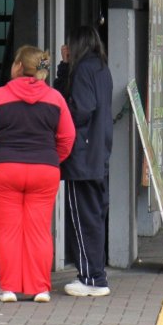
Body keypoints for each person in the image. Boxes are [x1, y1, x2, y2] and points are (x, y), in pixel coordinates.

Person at [0, 45, 75, 303]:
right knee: (39, 230)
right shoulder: (55, 99)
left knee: (8, 230)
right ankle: (40, 288)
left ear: (17, 66)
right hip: (44, 171)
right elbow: (68, 137)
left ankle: (9, 288)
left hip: (5, 170)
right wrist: (52, 158)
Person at [55, 26, 114, 297]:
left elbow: (80, 109)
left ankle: (90, 277)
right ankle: (95, 273)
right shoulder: (101, 67)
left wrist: (64, 71)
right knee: (95, 215)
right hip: (98, 151)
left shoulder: (82, 70)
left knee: (82, 216)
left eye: (68, 45)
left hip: (82, 155)